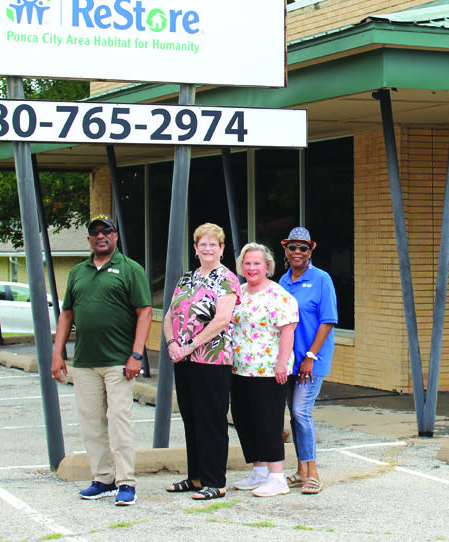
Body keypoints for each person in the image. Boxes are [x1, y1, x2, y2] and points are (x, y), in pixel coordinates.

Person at [51, 214, 152, 507]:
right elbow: (66, 314)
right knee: (91, 423)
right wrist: (57, 354)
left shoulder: (130, 269)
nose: (100, 236)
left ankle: (126, 482)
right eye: (95, 232)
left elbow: (145, 312)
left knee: (119, 422)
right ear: (89, 239)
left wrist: (136, 355)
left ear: (115, 236)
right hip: (85, 362)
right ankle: (103, 478)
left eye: (106, 231)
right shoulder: (77, 272)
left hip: (119, 361)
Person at [161, 223, 240, 501]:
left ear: (221, 248)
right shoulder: (186, 279)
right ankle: (195, 477)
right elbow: (170, 315)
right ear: (195, 249)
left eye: (213, 244)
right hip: (182, 359)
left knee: (210, 421)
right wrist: (172, 344)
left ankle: (215, 481)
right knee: (191, 418)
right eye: (202, 244)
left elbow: (221, 320)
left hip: (211, 360)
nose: (207, 249)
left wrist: (190, 346)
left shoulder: (227, 279)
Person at [229, 242, 298, 497]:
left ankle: (277, 476)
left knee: (268, 421)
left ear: (267, 266)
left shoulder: (279, 295)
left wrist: (282, 362)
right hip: (239, 368)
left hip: (268, 370)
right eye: (247, 263)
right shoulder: (239, 292)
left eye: (257, 263)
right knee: (244, 419)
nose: (251, 267)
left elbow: (287, 331)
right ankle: (258, 471)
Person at [278, 227, 338, 495]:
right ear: (286, 251)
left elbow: (327, 321)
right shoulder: (283, 281)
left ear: (311, 251)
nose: (297, 252)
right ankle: (301, 472)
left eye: (303, 248)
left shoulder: (322, 279)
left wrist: (310, 357)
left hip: (311, 361)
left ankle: (313, 473)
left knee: (302, 413)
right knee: (294, 416)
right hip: (290, 361)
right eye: (293, 247)